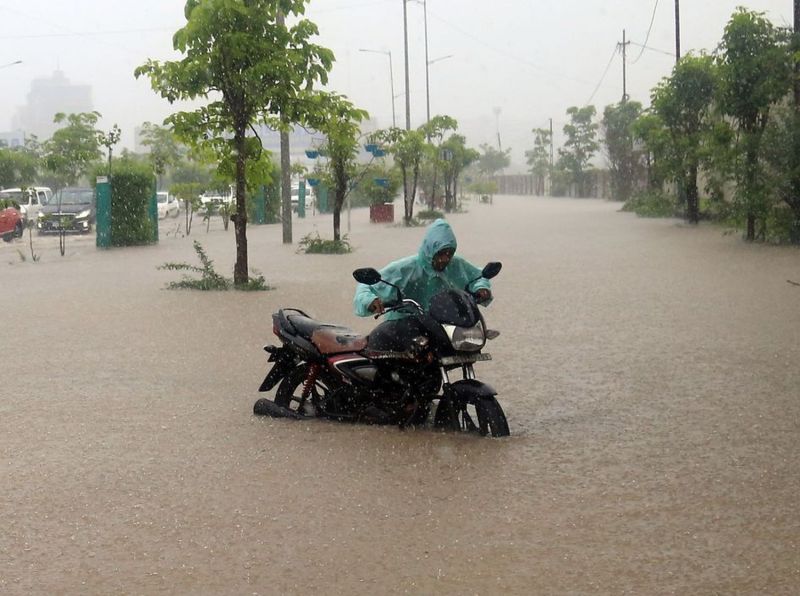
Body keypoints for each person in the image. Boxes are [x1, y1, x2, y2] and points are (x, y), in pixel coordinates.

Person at [353, 218, 492, 319]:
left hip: (444, 324)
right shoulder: (405, 269)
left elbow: (477, 277)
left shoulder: (456, 265)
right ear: (429, 250)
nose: (445, 259)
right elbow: (366, 286)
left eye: (449, 253)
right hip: (405, 325)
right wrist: (370, 300)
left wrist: (481, 288)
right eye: (440, 254)